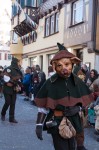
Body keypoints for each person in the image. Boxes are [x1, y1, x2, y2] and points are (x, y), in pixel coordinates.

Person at [34, 43, 93, 150]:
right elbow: (42, 108)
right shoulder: (50, 82)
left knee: (72, 147)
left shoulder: (77, 81)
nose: (64, 68)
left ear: (72, 64)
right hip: (56, 121)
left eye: (67, 64)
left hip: (74, 121)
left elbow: (84, 103)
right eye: (59, 65)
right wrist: (39, 124)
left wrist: (77, 108)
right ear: (54, 67)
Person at [1, 57, 22, 123]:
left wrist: (19, 84)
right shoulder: (8, 69)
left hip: (14, 89)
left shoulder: (18, 70)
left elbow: (20, 78)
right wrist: (7, 82)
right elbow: (4, 78)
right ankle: (3, 113)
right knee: (8, 102)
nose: (18, 63)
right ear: (14, 62)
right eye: (17, 62)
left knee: (13, 103)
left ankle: (11, 118)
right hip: (7, 88)